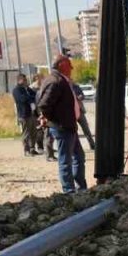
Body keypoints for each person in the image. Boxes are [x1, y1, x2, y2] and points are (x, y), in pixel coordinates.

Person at [36, 54, 87, 193]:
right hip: (62, 127)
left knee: (79, 157)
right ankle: (69, 191)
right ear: (62, 65)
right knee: (66, 160)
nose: (71, 67)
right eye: (69, 64)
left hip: (69, 126)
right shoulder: (55, 81)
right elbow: (44, 105)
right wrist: (54, 120)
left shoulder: (61, 80)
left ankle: (81, 187)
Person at [12, 73, 39, 156]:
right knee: (26, 133)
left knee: (33, 132)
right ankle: (26, 149)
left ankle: (32, 148)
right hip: (24, 114)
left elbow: (35, 95)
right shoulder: (16, 90)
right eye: (24, 80)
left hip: (32, 113)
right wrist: (29, 98)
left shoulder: (26, 89)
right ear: (20, 80)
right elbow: (22, 99)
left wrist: (30, 97)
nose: (26, 81)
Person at [70, 81, 96, 151]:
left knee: (86, 129)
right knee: (73, 130)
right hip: (70, 112)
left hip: (80, 110)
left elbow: (82, 95)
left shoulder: (76, 87)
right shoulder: (64, 87)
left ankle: (92, 145)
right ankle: (74, 147)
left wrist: (80, 97)